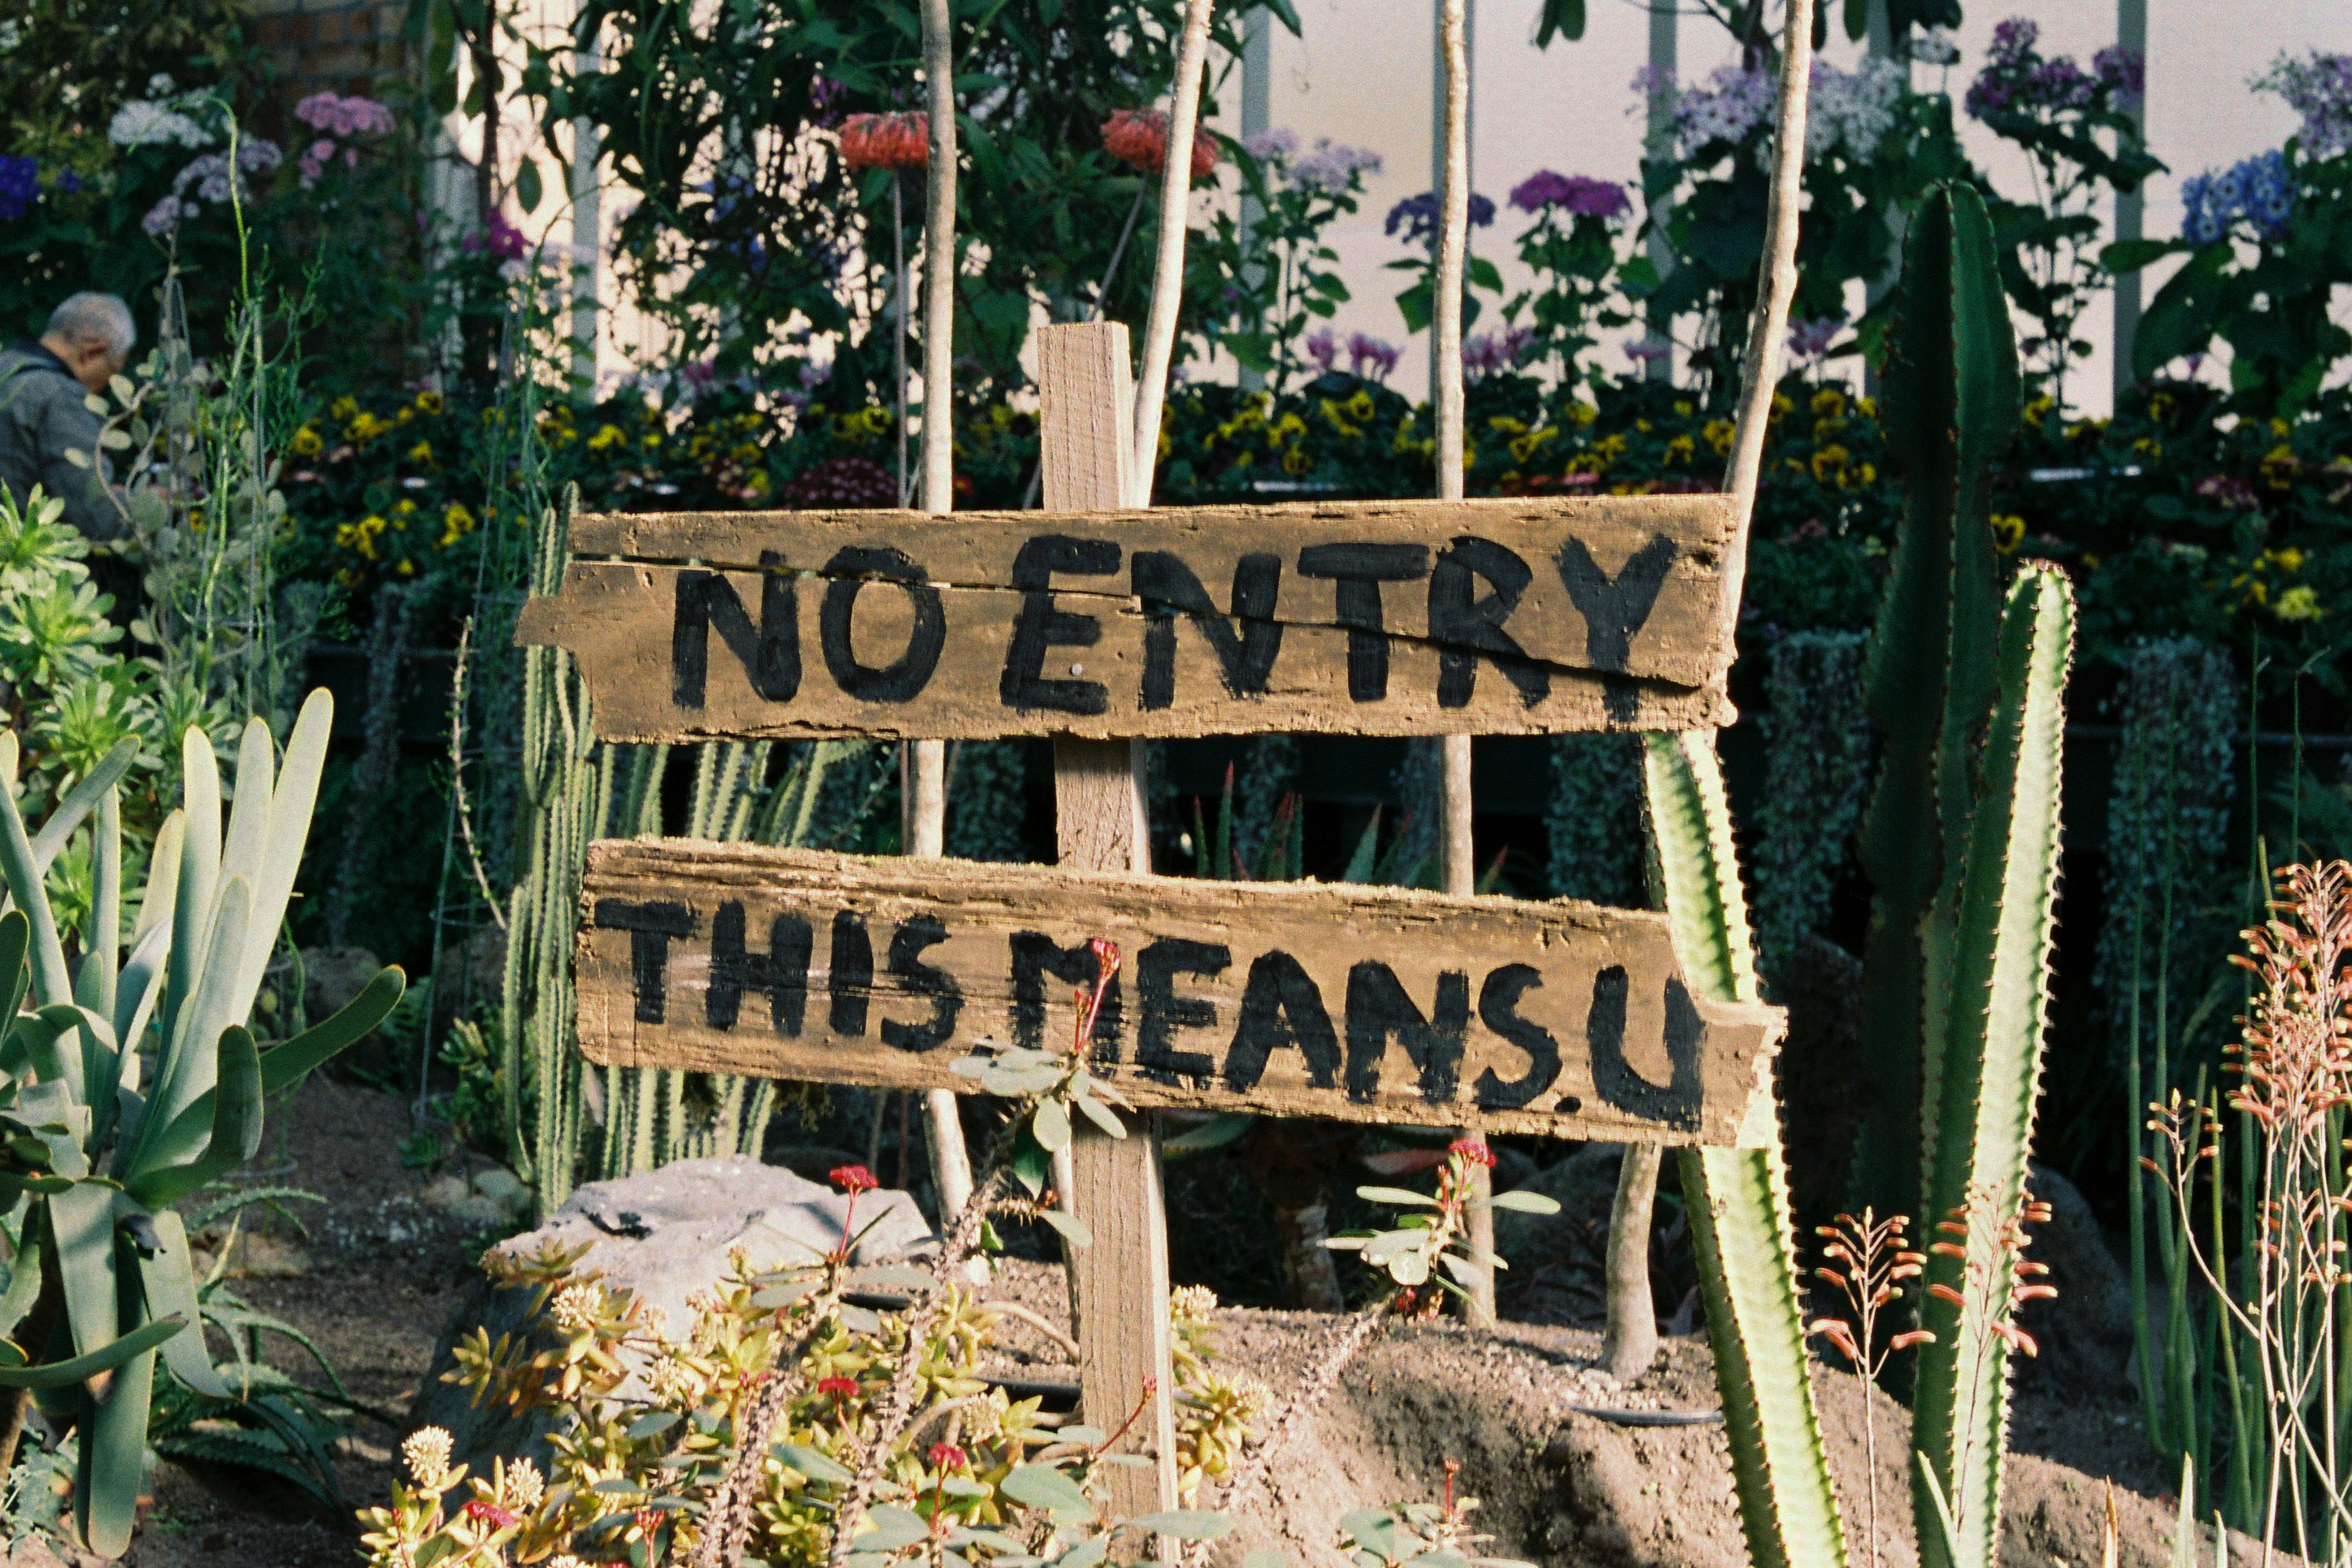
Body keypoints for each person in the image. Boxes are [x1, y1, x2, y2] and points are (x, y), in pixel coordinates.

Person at [0, 293, 137, 541]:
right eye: (112, 372)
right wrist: (147, 503)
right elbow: (97, 520)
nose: (107, 386)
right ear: (92, 353)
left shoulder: (5, 367)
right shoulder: (61, 399)